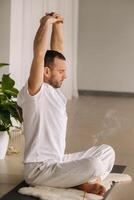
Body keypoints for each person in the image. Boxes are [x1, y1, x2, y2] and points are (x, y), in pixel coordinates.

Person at [17, 12, 115, 196]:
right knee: (94, 165)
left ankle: (76, 180)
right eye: (61, 72)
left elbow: (58, 51)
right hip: (40, 170)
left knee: (106, 152)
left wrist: (58, 26)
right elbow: (39, 53)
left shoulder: (54, 92)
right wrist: (46, 22)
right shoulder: (34, 92)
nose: (65, 75)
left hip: (57, 161)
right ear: (45, 71)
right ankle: (80, 183)